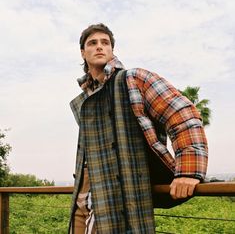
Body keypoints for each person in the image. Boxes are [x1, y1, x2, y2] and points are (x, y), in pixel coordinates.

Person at [69, 23, 208, 234]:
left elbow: (182, 114)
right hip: (83, 197)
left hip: (116, 198)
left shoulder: (134, 79)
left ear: (112, 50)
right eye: (92, 43)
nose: (99, 47)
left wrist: (188, 171)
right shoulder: (83, 101)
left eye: (105, 43)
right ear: (82, 52)